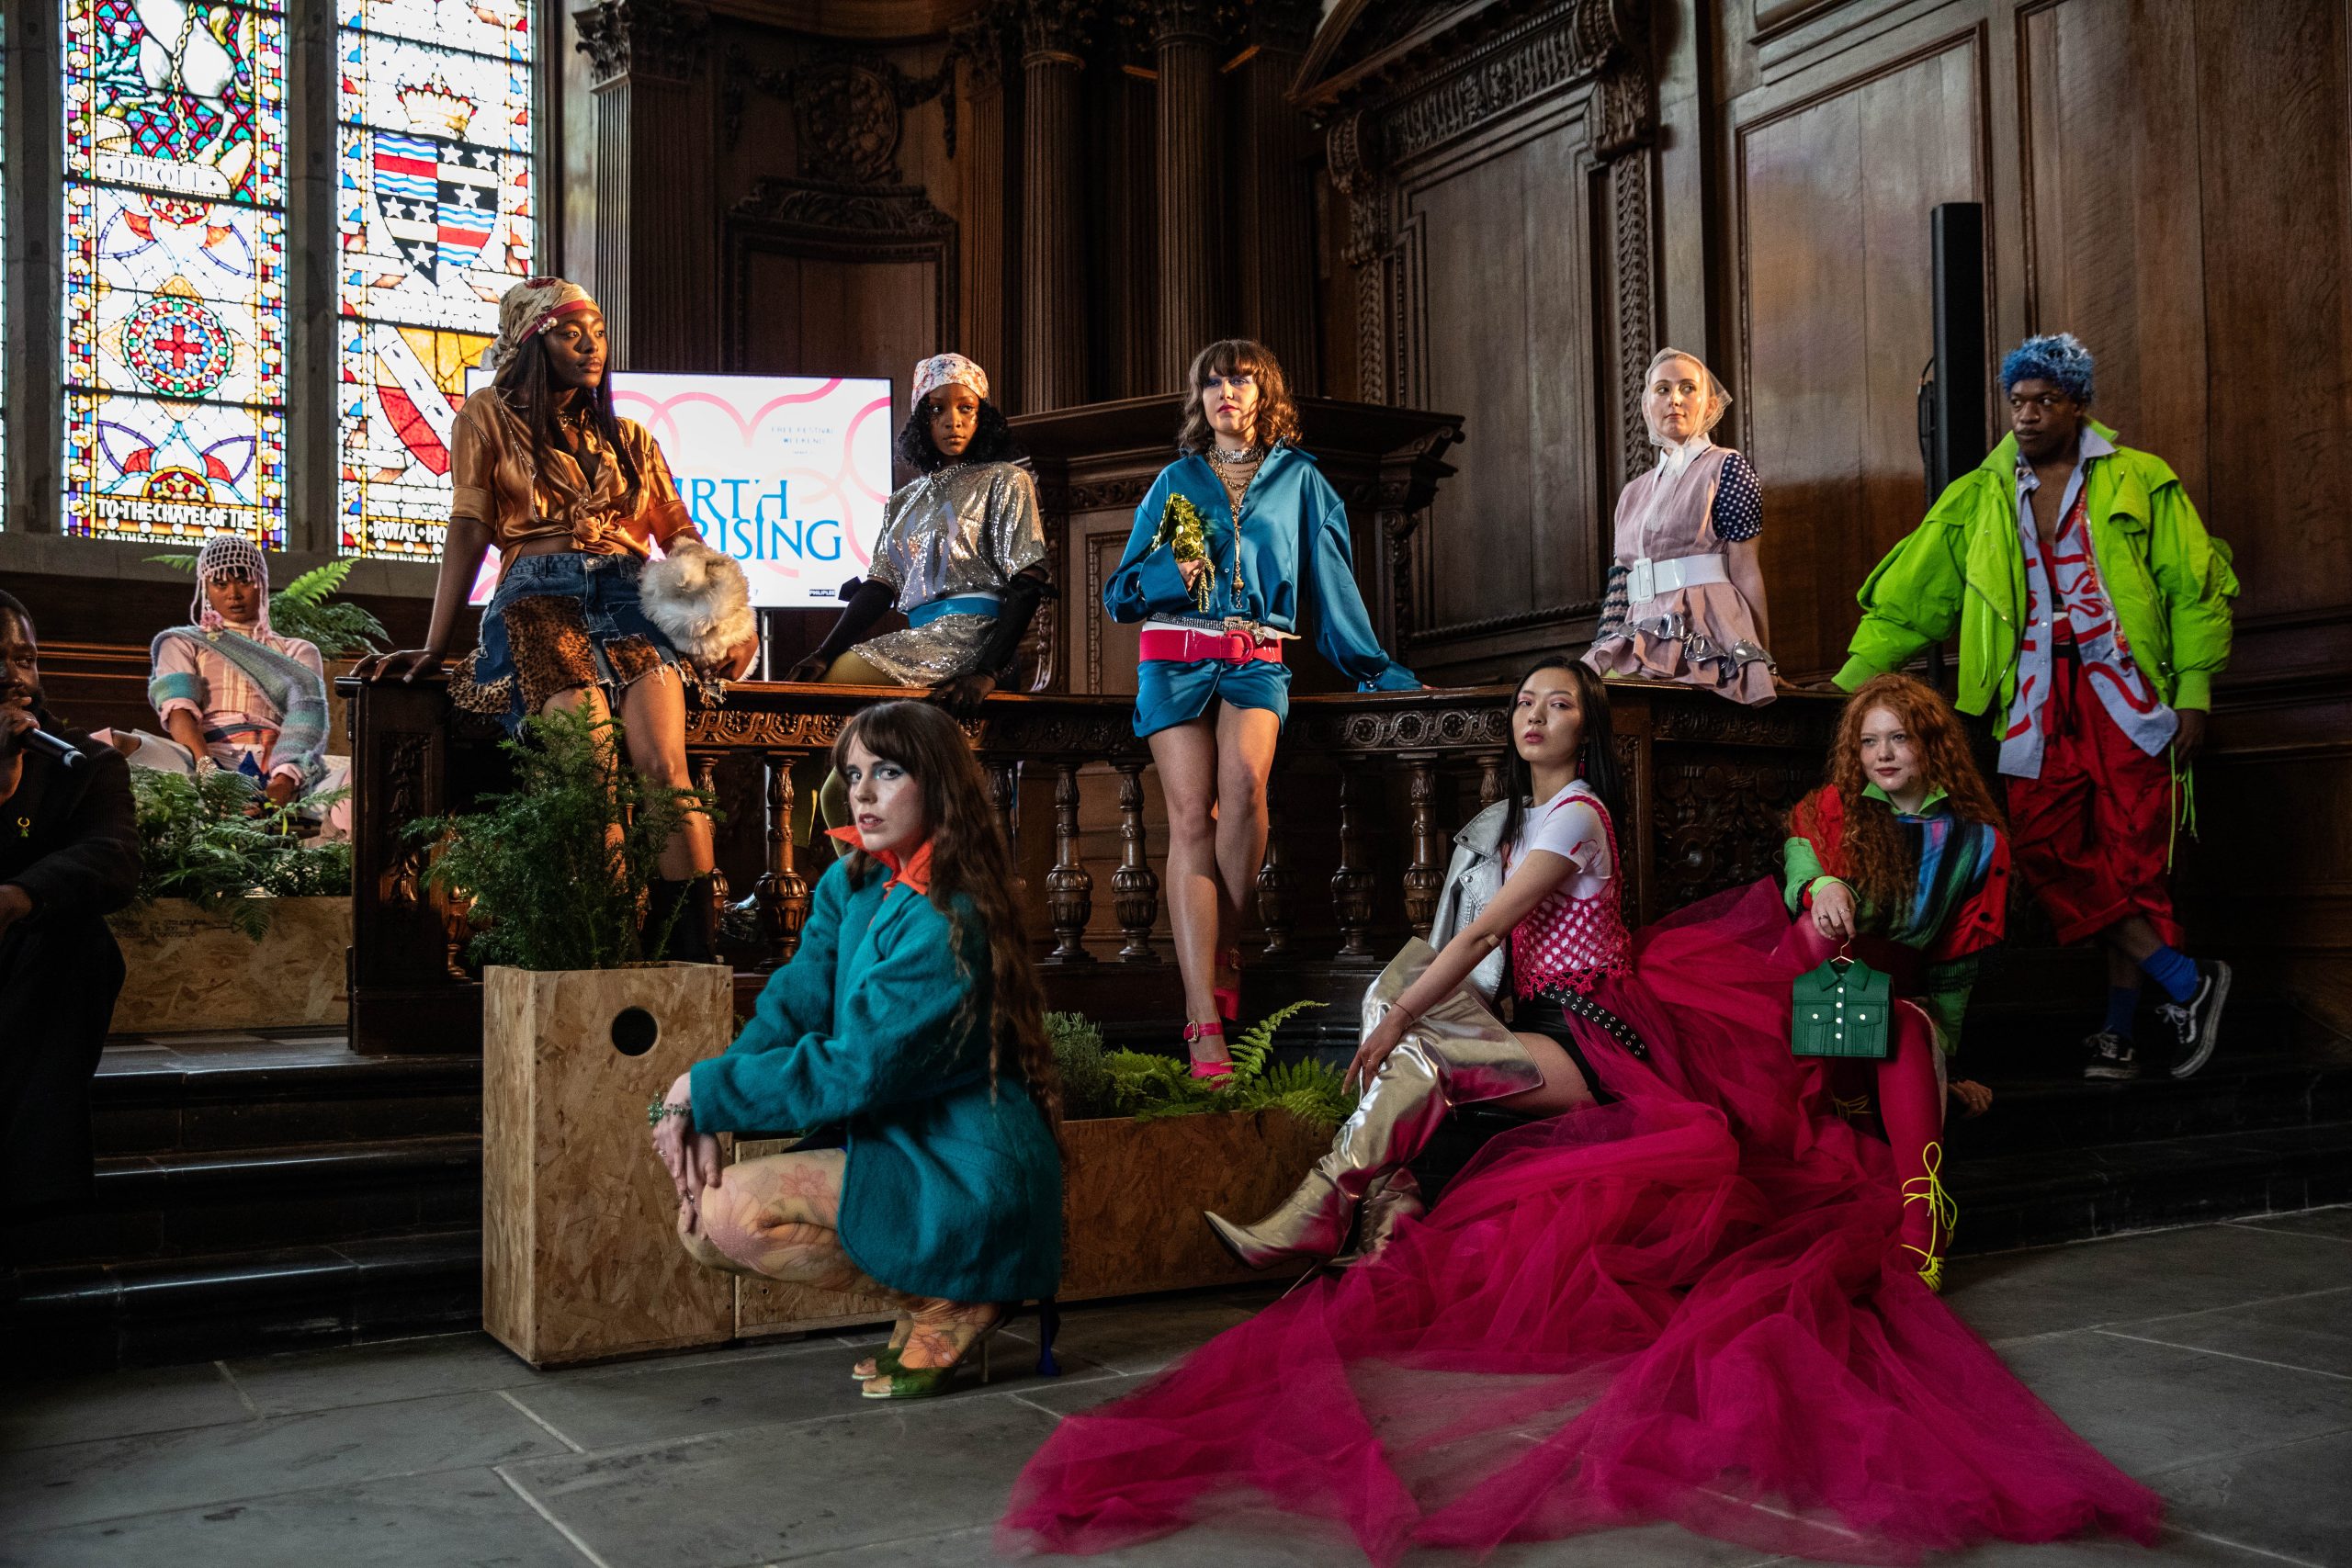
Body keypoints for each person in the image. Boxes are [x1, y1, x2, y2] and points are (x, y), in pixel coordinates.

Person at [1002, 660, 2162, 1564]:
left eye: (1555, 704)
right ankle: (1365, 1202)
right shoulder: (1557, 816)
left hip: (1612, 1036)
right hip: (1577, 1019)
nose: (1531, 715)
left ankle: (1333, 1203)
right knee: (1425, 1046)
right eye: (1523, 702)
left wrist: (1400, 1011)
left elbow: (1483, 936)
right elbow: (1794, 870)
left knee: (1427, 1044)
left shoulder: (1577, 819)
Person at [1835, 333, 2238, 1081]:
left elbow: (2195, 590)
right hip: (2032, 701)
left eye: (2043, 402)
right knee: (2048, 852)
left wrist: (2194, 692)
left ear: (2078, 406)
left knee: (2134, 859)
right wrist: (1849, 686)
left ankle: (2121, 1031)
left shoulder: (2142, 479)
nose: (2024, 416)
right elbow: (1911, 599)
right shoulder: (1979, 495)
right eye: (2016, 401)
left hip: (2128, 697)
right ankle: (2187, 980)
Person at [650, 699, 1062, 1398]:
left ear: (938, 784)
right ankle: (931, 1297)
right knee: (704, 1223)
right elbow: (792, 1005)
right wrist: (709, 1105)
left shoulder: (951, 917)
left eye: (889, 771)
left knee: (730, 1214)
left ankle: (959, 1294)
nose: (862, 792)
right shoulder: (855, 881)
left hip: (966, 1165)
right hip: (898, 1144)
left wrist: (704, 1089)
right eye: (853, 772)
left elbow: (858, 1067)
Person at [356, 277, 757, 961]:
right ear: (532, 341)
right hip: (539, 596)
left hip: (631, 596)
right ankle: (604, 955)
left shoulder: (629, 436)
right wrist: (434, 641)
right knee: (589, 771)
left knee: (665, 766)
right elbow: (470, 527)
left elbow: (680, 533)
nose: (592, 346)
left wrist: (725, 620)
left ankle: (691, 961)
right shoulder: (486, 413)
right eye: (573, 333)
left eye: (598, 332)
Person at [1102, 338, 1419, 1078]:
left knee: (1244, 788)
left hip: (1255, 659)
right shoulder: (1174, 479)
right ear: (1200, 399)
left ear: (1264, 394)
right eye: (1212, 383)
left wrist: (1377, 671)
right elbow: (1119, 594)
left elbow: (1333, 587)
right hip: (1174, 656)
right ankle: (1202, 1020)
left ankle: (1225, 942)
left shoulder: (1303, 481)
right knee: (1188, 817)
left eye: (1240, 381)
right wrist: (1168, 572)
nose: (1225, 393)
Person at [1781, 672, 2013, 1281]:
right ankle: (1855, 1118)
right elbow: (1800, 852)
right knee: (1819, 932)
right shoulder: (1831, 808)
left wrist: (1950, 1058)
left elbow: (1958, 960)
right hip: (1808, 993)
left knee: (1906, 1021)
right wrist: (1820, 882)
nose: (1881, 754)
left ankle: (1924, 1213)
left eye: (1899, 738)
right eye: (1868, 741)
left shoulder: (1977, 841)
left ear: (1931, 743)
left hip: (1896, 997)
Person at [786, 354, 1050, 845]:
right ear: (919, 418)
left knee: (812, 704)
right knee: (833, 792)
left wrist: (988, 671)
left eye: (966, 409)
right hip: (916, 637)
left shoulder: (1005, 479)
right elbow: (879, 588)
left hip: (970, 636)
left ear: (982, 415)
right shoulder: (902, 500)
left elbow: (1027, 581)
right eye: (938, 410)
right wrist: (822, 652)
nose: (953, 421)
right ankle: (838, 891)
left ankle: (797, 871)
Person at [0, 592, 141, 1223]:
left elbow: (112, 860)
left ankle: (30, 1201)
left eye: (24, 658)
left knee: (83, 945)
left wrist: (19, 896)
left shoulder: (83, 761)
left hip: (23, 949)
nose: (13, 676)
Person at [106, 534, 351, 839]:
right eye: (220, 584)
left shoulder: (296, 649)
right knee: (107, 745)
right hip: (198, 760)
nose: (234, 593)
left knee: (359, 781)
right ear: (206, 589)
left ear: (261, 581)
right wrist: (208, 772)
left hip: (279, 764)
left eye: (244, 581)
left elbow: (306, 719)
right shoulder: (182, 642)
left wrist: (282, 785)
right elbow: (178, 709)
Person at [1584, 347, 1776, 704]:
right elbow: (1620, 586)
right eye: (1662, 389)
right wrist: (1603, 649)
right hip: (1639, 629)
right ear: (1646, 407)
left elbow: (1747, 570)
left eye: (1688, 388)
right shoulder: (1632, 493)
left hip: (1707, 625)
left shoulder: (1727, 468)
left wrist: (1766, 661)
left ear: (1708, 404)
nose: (1675, 399)